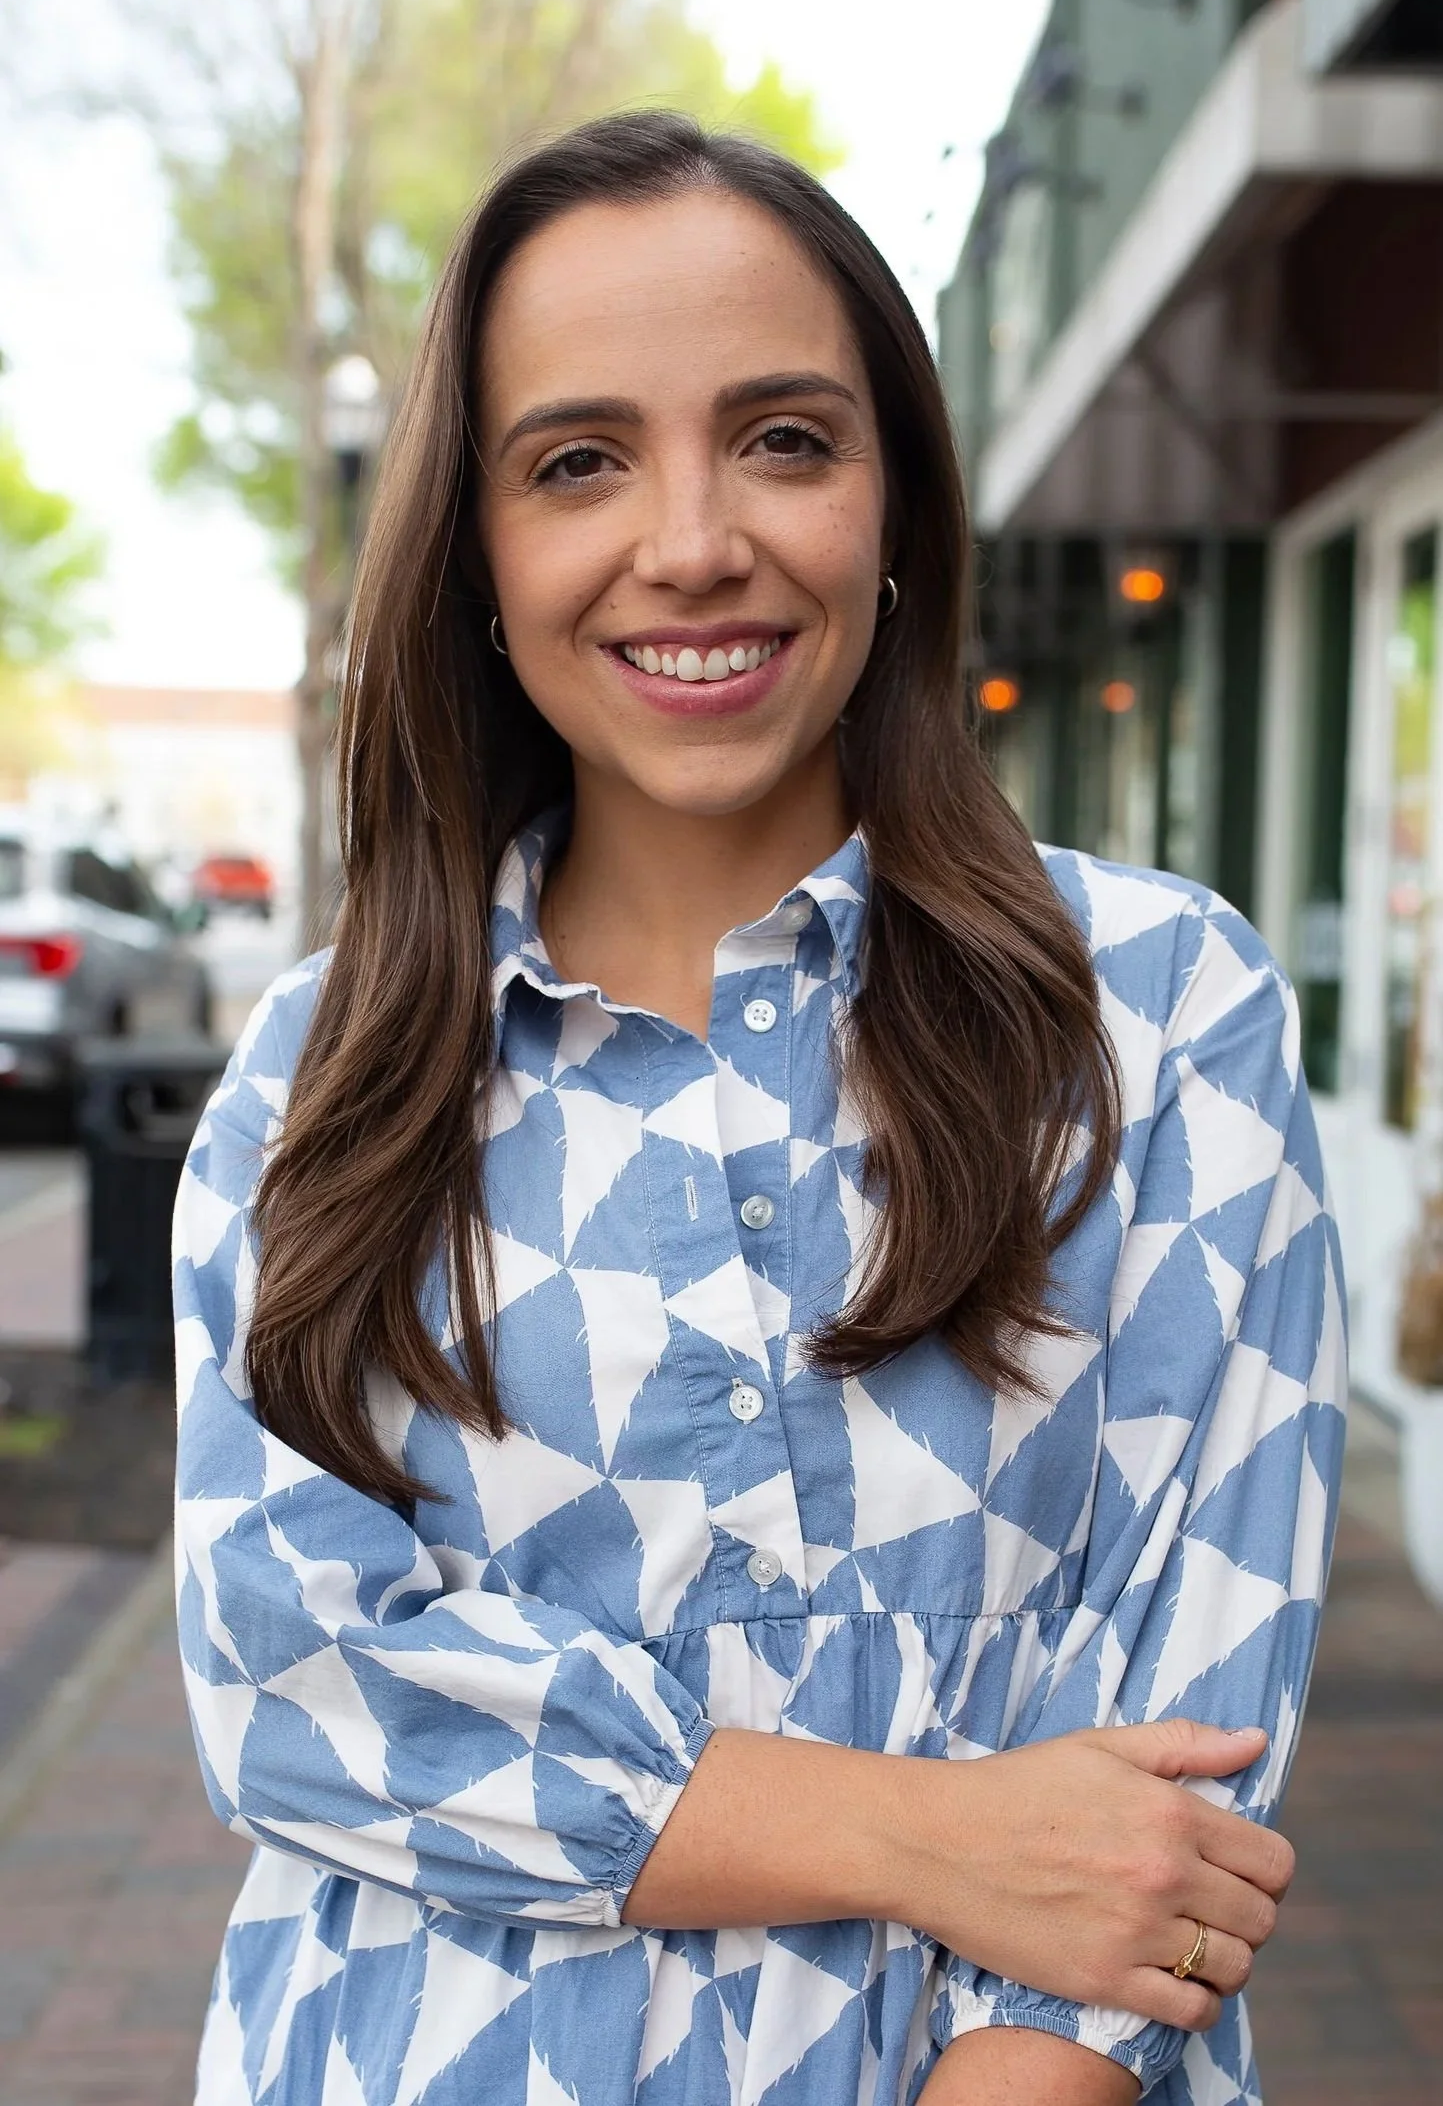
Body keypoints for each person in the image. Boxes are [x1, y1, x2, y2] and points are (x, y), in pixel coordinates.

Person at [173, 112, 1344, 2106]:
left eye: (784, 437)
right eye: (578, 461)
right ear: (477, 545)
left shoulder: (1149, 1010)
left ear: (893, 493)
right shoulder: (325, 1076)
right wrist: (923, 1830)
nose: (693, 536)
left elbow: (1177, 1754)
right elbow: (294, 1686)